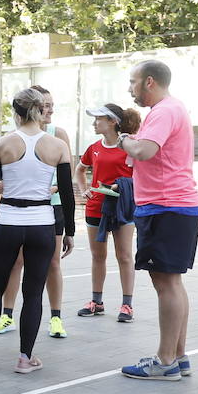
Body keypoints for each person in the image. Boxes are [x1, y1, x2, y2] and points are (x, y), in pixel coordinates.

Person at [0, 87, 75, 373]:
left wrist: (2, 185)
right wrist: (70, 231)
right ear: (40, 111)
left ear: (16, 112)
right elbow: (67, 193)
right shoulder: (56, 145)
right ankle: (26, 358)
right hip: (41, 223)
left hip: (9, 221)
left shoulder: (3, 143)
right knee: (34, 292)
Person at [118, 59, 198, 380]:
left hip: (166, 207)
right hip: (175, 207)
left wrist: (124, 139)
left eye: (133, 82)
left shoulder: (164, 111)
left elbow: (144, 151)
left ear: (149, 82)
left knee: (165, 283)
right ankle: (177, 357)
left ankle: (165, 361)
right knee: (172, 283)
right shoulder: (173, 109)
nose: (130, 88)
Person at [0, 85, 74, 340]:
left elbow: (67, 177)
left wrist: (50, 188)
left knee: (53, 262)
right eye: (45, 105)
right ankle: (7, 314)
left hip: (51, 207)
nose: (48, 109)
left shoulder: (58, 134)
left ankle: (55, 318)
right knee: (15, 262)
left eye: (51, 105)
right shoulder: (13, 137)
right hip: (20, 210)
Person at [75, 103, 141, 323]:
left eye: (98, 119)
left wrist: (120, 187)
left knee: (124, 256)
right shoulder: (93, 147)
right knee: (98, 256)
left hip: (122, 208)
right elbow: (80, 169)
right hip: (96, 208)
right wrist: (84, 190)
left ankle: (127, 305)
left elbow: (140, 176)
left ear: (113, 121)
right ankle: (96, 302)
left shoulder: (130, 146)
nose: (95, 123)